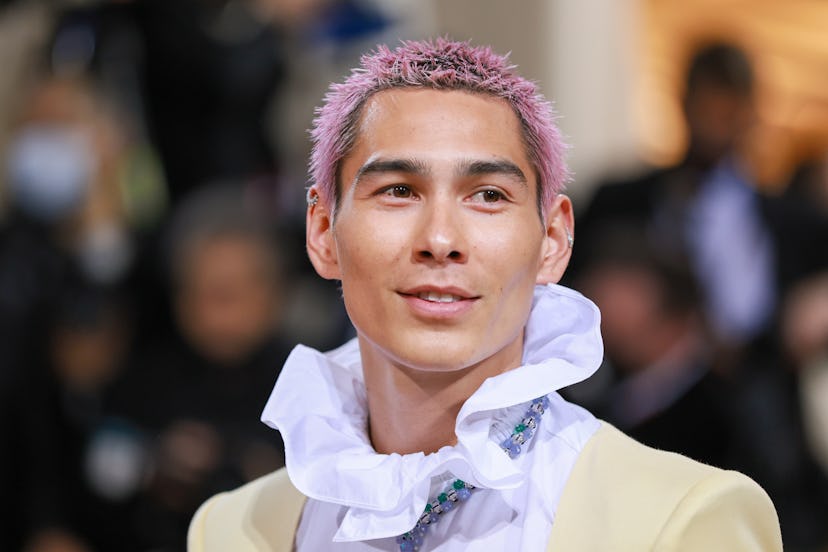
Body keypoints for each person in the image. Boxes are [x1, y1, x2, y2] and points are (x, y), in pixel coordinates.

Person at [187, 38, 782, 551]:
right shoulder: (232, 531)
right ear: (323, 234)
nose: (441, 239)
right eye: (398, 190)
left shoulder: (677, 522)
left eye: (489, 195)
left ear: (552, 240)